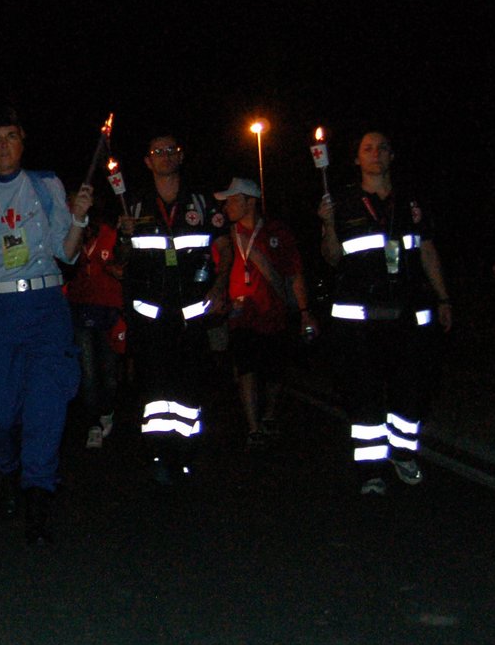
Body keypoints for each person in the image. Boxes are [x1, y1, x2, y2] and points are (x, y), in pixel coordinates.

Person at [0, 116, 89, 544]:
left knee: (46, 409)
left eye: (11, 137)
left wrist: (79, 218)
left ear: (22, 141)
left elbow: (67, 254)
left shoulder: (47, 186)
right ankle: (8, 473)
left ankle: (38, 505)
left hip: (46, 306)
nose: (4, 145)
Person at [317, 130, 452, 495]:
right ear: (357, 159)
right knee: (364, 399)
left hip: (408, 316)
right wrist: (327, 224)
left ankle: (403, 452)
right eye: (368, 148)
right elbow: (332, 258)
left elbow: (426, 249)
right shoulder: (341, 202)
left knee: (413, 391)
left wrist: (443, 299)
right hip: (359, 321)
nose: (376, 153)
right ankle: (371, 471)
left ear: (392, 156)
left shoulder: (409, 202)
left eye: (382, 148)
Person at [118, 134, 232, 485]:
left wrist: (220, 284)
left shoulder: (202, 201)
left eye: (171, 151)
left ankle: (185, 453)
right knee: (154, 389)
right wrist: (124, 236)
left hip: (192, 314)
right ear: (147, 161)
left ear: (180, 157)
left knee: (189, 387)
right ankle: (159, 453)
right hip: (149, 317)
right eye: (158, 152)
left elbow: (225, 248)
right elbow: (122, 262)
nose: (165, 157)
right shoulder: (133, 205)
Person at [214, 177, 317, 451]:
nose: (226, 207)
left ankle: (269, 414)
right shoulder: (226, 238)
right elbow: (217, 273)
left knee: (273, 371)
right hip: (241, 315)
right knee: (246, 367)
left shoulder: (277, 232)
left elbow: (294, 273)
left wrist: (305, 311)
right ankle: (253, 427)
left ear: (250, 202)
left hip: (273, 313)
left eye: (232, 201)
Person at [64, 213, 125, 450]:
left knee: (109, 372)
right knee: (87, 371)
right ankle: (93, 425)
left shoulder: (110, 234)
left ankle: (107, 411)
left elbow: (122, 264)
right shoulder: (70, 234)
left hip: (109, 311)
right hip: (80, 310)